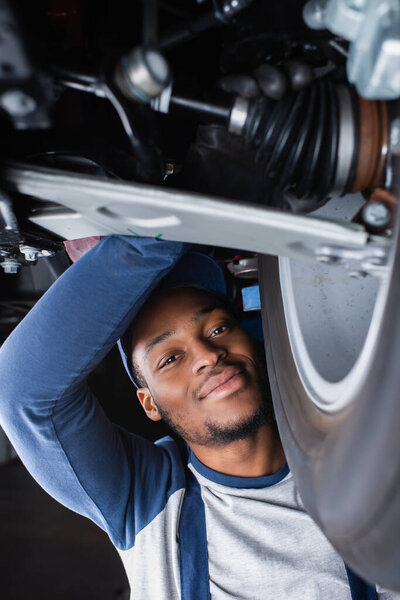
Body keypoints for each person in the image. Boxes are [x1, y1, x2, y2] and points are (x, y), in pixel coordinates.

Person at [0, 235, 396, 600]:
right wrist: (151, 236)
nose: (208, 355)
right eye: (170, 358)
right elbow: (23, 392)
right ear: (148, 402)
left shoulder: (364, 469)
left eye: (219, 328)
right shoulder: (142, 496)